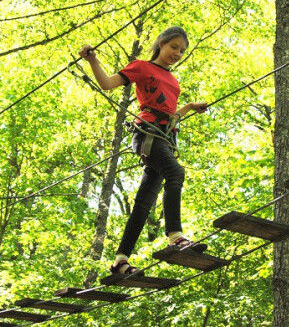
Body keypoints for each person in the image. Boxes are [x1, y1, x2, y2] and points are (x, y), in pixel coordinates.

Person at [79, 26, 208, 275]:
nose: (177, 53)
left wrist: (190, 106)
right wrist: (93, 59)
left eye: (182, 51)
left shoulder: (173, 80)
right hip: (147, 135)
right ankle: (175, 236)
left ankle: (120, 260)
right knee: (175, 173)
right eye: (174, 47)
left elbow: (170, 116)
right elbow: (107, 84)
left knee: (143, 203)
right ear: (161, 43)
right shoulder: (142, 67)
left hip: (164, 137)